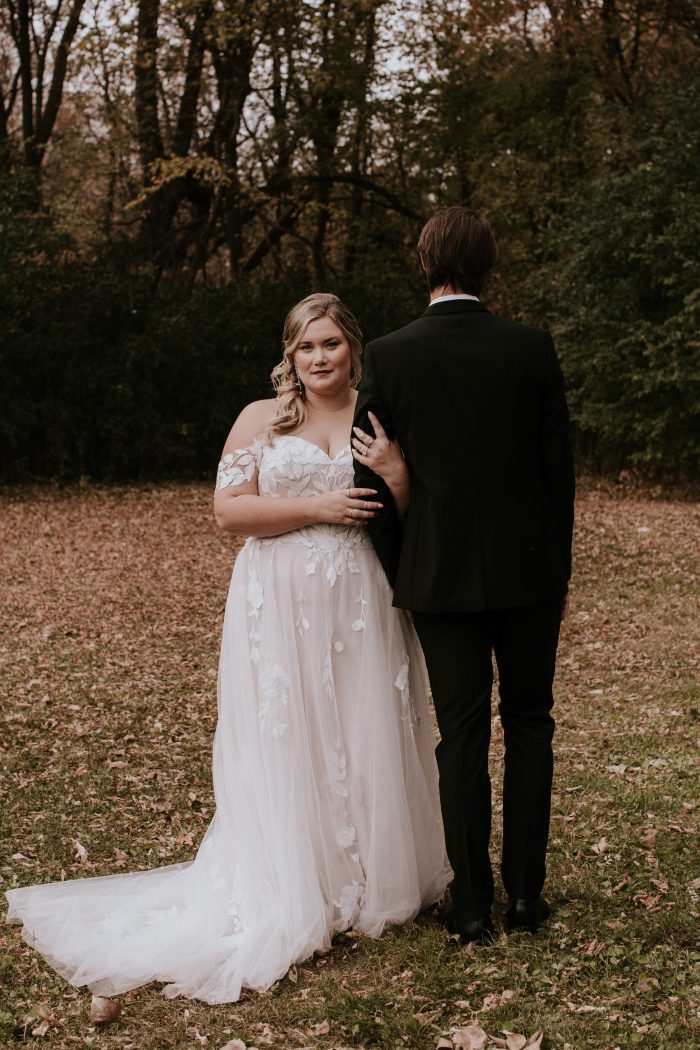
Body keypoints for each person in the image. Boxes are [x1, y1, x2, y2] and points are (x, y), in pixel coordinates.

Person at [5, 293, 450, 1004]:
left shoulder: (377, 415)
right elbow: (228, 512)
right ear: (290, 356)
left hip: (360, 596)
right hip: (276, 598)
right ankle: (296, 878)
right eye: (306, 347)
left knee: (364, 726)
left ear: (353, 348)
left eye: (331, 343)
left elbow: (406, 510)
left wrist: (397, 477)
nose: (319, 358)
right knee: (293, 729)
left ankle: (371, 876)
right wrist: (318, 507)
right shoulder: (261, 419)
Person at [352, 206, 575, 944]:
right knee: (532, 723)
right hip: (530, 572)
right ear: (489, 264)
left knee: (463, 734)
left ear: (424, 262)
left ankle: (473, 909)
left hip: (438, 576)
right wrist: (555, 569)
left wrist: (405, 573)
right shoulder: (531, 348)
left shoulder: (388, 355)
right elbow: (558, 478)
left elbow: (373, 486)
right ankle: (525, 899)